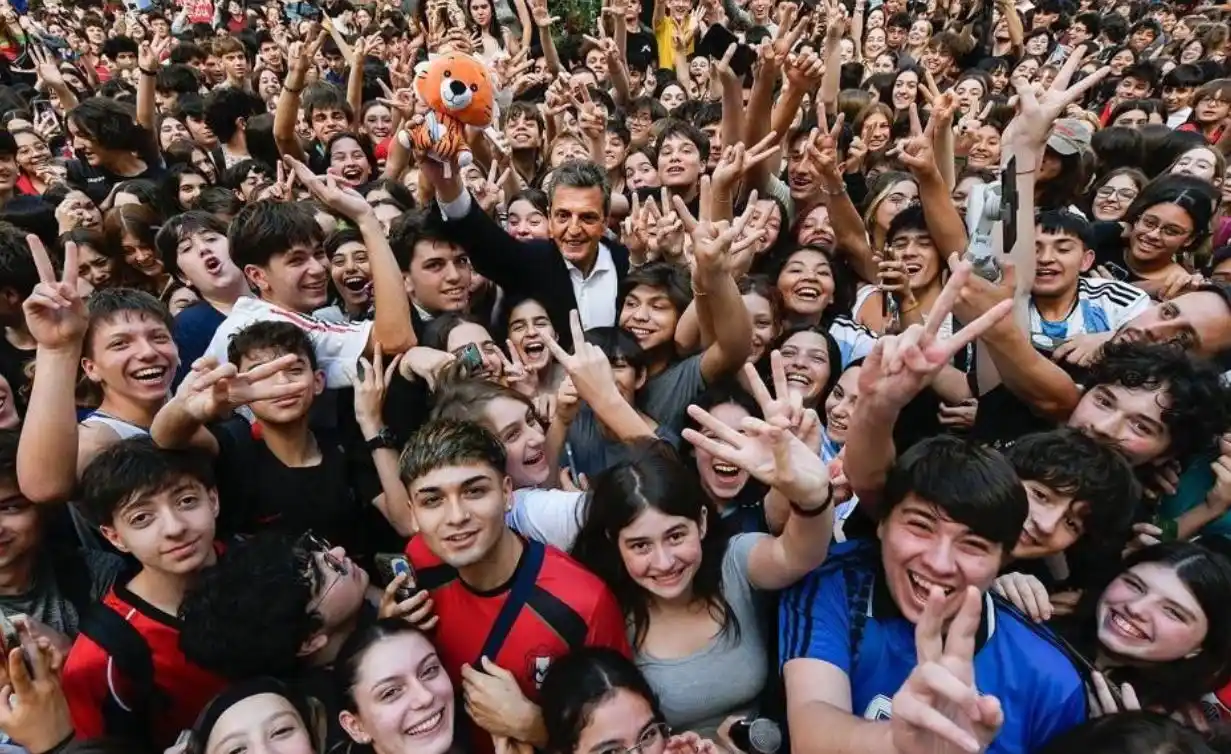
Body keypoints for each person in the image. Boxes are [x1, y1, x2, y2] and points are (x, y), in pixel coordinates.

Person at [399, 418, 630, 750]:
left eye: (474, 491)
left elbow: (627, 737)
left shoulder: (583, 602)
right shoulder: (420, 562)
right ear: (412, 514)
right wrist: (394, 631)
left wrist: (536, 726)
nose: (456, 516)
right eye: (432, 500)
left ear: (507, 493)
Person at [60, 438, 227, 748]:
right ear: (114, 537)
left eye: (187, 500)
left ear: (213, 500)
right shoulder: (102, 657)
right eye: (142, 518)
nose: (174, 527)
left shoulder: (262, 563)